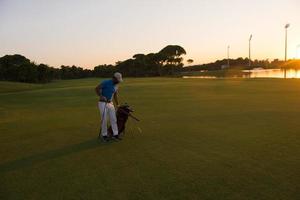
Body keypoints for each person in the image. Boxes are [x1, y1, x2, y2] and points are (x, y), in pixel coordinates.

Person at [95, 72, 123, 141]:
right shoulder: (106, 82)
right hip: (102, 103)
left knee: (113, 119)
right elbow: (97, 88)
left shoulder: (116, 85)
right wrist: (101, 96)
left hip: (110, 104)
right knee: (104, 120)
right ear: (114, 78)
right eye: (117, 80)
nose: (118, 82)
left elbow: (115, 95)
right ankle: (104, 135)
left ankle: (115, 135)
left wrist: (118, 104)